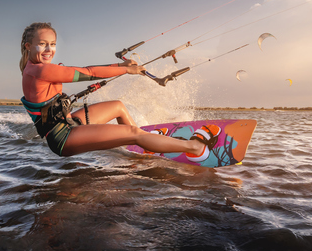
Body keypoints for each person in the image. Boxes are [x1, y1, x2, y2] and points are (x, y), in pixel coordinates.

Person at [20, 22, 217, 158]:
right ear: (29, 46)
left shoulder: (35, 68)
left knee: (118, 107)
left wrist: (118, 65)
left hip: (69, 123)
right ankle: (194, 147)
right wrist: (126, 70)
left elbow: (90, 68)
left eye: (52, 44)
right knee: (132, 131)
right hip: (63, 137)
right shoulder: (41, 70)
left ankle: (139, 144)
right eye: (42, 44)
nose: (49, 50)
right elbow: (88, 73)